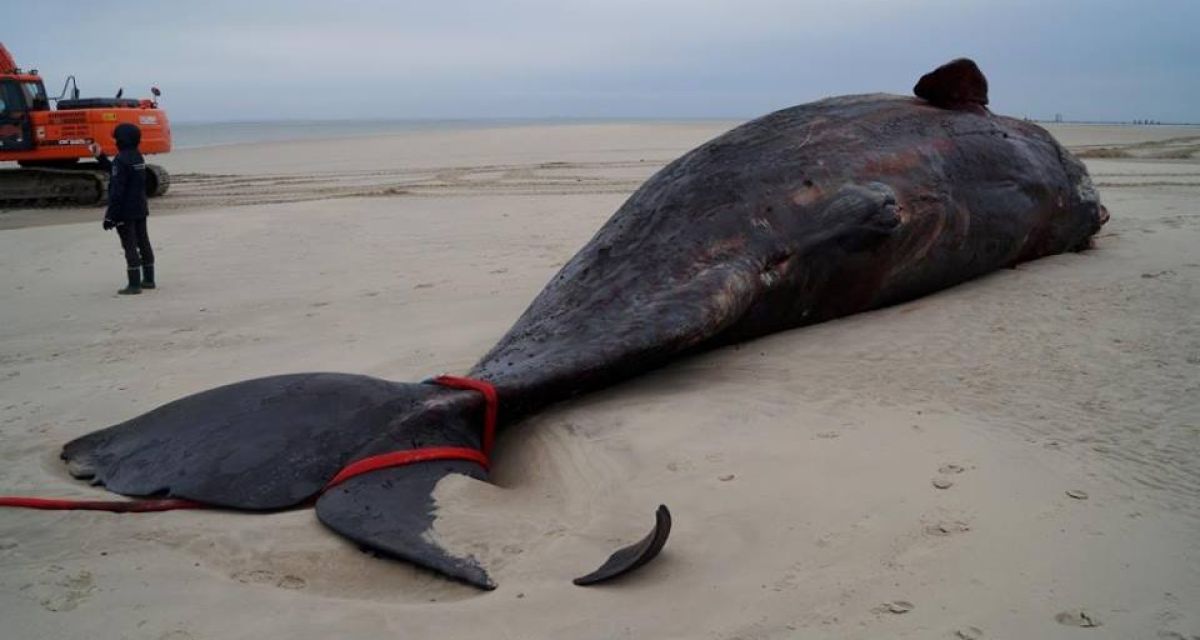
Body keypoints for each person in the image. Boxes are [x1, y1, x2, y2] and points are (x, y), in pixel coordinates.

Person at [89, 123, 155, 295]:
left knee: (129, 245)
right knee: (143, 242)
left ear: (121, 140)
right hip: (140, 207)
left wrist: (110, 216)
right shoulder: (137, 157)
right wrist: (100, 156)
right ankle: (149, 279)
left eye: (116, 138)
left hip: (125, 211)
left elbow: (117, 191)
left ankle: (134, 285)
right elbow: (116, 172)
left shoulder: (121, 159)